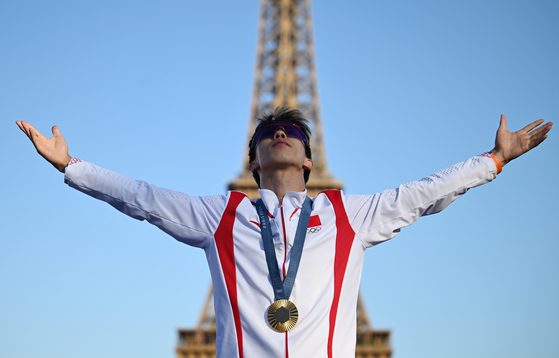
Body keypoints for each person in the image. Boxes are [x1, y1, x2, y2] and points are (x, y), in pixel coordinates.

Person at [15, 107, 552, 358]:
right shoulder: (220, 216)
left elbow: (421, 194)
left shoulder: (347, 214)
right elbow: (143, 199)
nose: (281, 134)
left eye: (293, 131)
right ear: (253, 162)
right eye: (270, 133)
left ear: (309, 159)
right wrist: (72, 166)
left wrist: (495, 160)